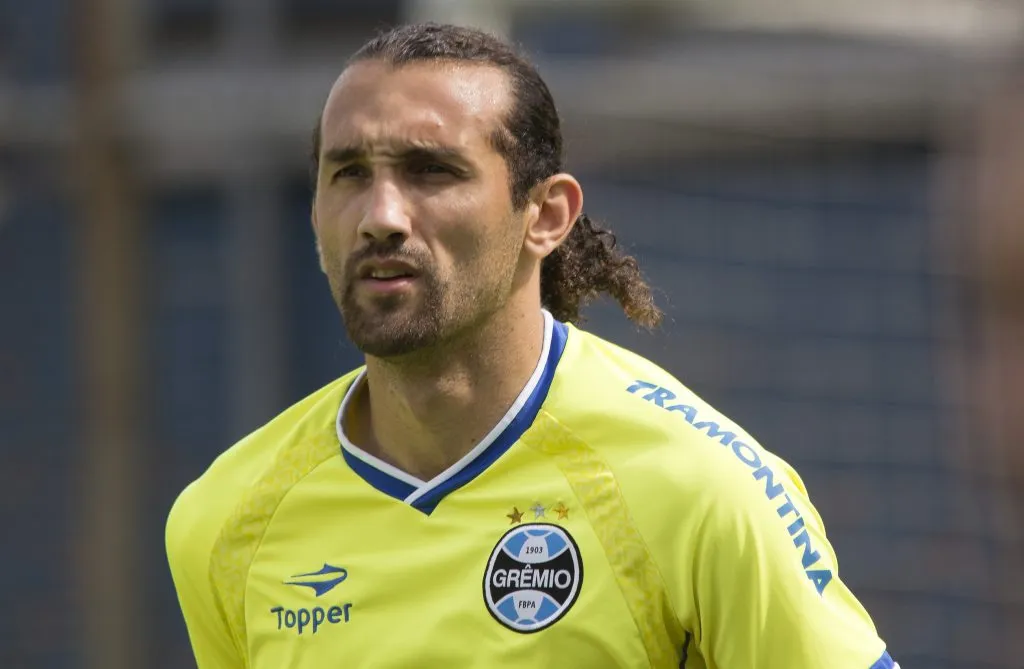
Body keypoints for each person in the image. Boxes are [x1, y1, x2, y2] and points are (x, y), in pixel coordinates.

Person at [166, 22, 898, 669]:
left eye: (431, 171)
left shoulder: (694, 486)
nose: (381, 216)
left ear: (546, 215)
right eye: (350, 174)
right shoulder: (224, 522)